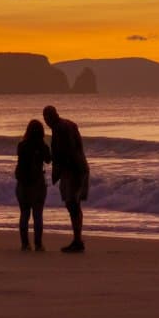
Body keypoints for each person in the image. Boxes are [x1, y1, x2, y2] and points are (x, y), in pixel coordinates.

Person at [42, 104, 89, 253]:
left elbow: (66, 150)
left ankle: (77, 241)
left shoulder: (59, 128)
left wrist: (58, 168)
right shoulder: (66, 124)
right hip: (78, 167)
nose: (46, 121)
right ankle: (77, 239)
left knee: (72, 204)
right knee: (74, 204)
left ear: (51, 116)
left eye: (46, 118)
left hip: (72, 169)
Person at [14, 118, 51, 251]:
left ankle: (25, 244)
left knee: (24, 213)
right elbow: (48, 160)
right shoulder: (42, 146)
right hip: (37, 183)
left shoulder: (21, 145)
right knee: (37, 214)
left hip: (22, 183)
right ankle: (38, 244)